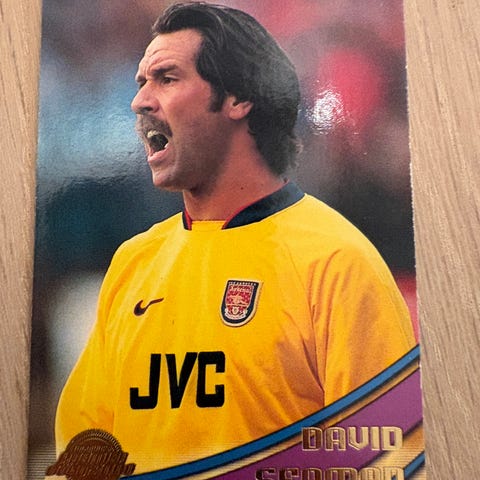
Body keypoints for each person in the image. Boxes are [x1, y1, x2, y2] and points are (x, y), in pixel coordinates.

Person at [54, 2, 416, 474]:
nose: (140, 101)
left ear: (238, 97)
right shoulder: (133, 263)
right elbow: (83, 451)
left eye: (166, 78)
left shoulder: (335, 260)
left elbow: (389, 453)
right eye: (142, 82)